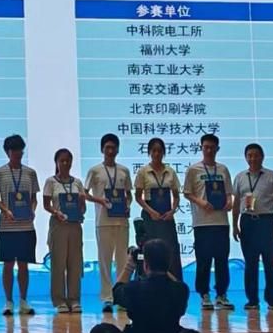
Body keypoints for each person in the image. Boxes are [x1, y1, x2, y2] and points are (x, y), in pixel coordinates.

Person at [112, 239, 190, 333]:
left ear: (146, 265)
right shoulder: (181, 290)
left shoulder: (134, 288)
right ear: (169, 262)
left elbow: (116, 291)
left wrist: (130, 265)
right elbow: (176, 284)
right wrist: (163, 268)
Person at [232, 142, 273, 311]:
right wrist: (234, 225)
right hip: (247, 222)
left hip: (267, 222)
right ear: (245, 157)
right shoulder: (240, 177)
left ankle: (272, 300)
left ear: (262, 157)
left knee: (270, 262)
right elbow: (236, 203)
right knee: (250, 263)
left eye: (256, 155)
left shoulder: (272, 176)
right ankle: (252, 300)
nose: (253, 158)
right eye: (249, 155)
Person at [183, 133, 235, 310]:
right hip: (202, 223)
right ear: (201, 148)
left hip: (221, 222)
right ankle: (204, 294)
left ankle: (221, 295)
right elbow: (187, 192)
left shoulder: (223, 169)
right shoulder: (193, 170)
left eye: (212, 147)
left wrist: (229, 202)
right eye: (206, 147)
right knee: (203, 260)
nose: (209, 150)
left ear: (217, 149)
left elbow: (229, 192)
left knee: (222, 260)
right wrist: (201, 202)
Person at [0, 133, 40, 316]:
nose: (17, 153)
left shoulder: (30, 173)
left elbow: (34, 199)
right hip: (7, 227)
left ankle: (24, 301)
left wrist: (32, 210)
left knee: (24, 265)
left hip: (26, 227)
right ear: (7, 152)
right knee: (8, 265)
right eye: (13, 150)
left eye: (20, 150)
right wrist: (5, 210)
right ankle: (8, 301)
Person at [83, 133, 132, 313]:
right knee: (104, 261)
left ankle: (122, 297)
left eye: (113, 148)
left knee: (123, 261)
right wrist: (100, 200)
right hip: (103, 221)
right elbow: (84, 193)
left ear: (118, 150)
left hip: (121, 222)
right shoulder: (95, 171)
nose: (110, 151)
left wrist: (127, 206)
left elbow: (129, 194)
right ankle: (107, 297)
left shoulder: (124, 171)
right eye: (107, 148)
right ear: (102, 149)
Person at [43, 147, 87, 313]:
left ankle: (74, 299)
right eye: (62, 160)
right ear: (56, 162)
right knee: (58, 264)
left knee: (75, 263)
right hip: (58, 225)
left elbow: (82, 207)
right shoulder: (51, 182)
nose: (65, 163)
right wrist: (57, 212)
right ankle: (59, 300)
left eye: (68, 160)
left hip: (75, 226)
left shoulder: (77, 183)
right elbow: (46, 205)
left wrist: (81, 207)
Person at [134, 138, 182, 280]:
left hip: (167, 217)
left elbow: (176, 196)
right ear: (149, 152)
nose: (156, 154)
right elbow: (138, 197)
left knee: (171, 250)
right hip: (150, 216)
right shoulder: (143, 171)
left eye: (159, 151)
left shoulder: (170, 171)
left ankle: (173, 284)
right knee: (150, 250)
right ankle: (150, 283)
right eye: (154, 150)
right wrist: (151, 211)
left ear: (164, 152)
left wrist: (172, 211)